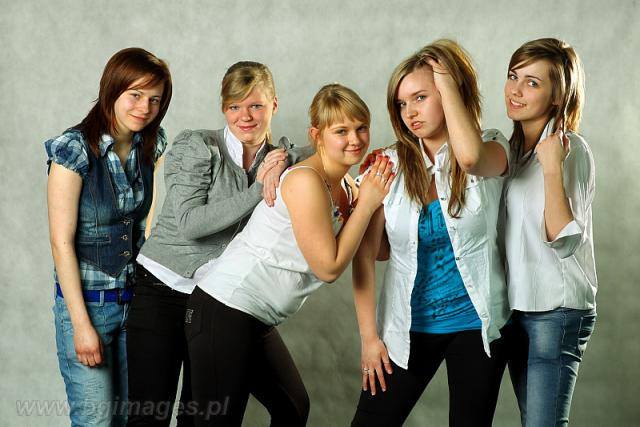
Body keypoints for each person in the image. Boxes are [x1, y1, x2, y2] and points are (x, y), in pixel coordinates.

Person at [186, 83, 394, 426]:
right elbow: (328, 268)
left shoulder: (349, 187)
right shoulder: (305, 181)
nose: (355, 139)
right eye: (341, 131)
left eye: (361, 128)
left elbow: (379, 251)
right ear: (317, 135)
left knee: (292, 409)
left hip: (255, 317)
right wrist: (367, 204)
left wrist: (377, 197)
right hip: (224, 308)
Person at [127, 61, 308, 425]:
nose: (245, 116)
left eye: (256, 105)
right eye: (234, 106)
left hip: (216, 302)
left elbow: (326, 146)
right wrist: (259, 189)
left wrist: (289, 157)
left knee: (203, 416)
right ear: (223, 108)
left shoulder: (277, 158)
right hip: (162, 290)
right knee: (149, 416)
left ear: (274, 104)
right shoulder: (200, 145)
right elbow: (190, 224)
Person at [350, 39, 511, 427]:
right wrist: (369, 339)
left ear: (450, 91)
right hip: (406, 328)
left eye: (421, 97)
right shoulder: (387, 165)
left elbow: (470, 158)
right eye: (401, 103)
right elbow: (367, 255)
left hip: (477, 326)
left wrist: (446, 77)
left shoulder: (493, 145)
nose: (410, 112)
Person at [46, 47, 172, 426]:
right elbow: (61, 243)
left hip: (137, 306)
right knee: (96, 421)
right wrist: (81, 325)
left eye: (155, 99)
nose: (145, 108)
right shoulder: (74, 150)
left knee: (131, 420)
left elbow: (142, 224)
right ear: (112, 89)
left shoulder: (151, 143)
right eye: (135, 95)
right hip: (90, 308)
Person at [502, 38, 597, 427]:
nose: (516, 90)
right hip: (518, 308)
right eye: (513, 76)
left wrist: (553, 167)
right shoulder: (512, 152)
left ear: (558, 96)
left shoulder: (570, 148)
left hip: (556, 312)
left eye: (532, 83)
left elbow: (564, 238)